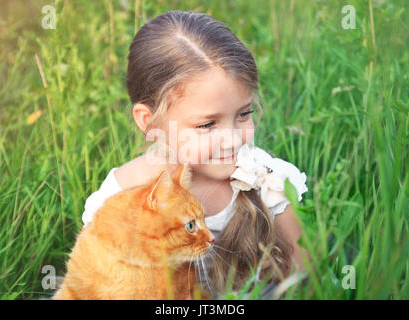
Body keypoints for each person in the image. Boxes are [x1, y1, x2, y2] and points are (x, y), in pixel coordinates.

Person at [81, 10, 310, 299]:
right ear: (148, 122)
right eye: (207, 124)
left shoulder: (267, 179)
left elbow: (306, 276)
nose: (233, 140)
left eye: (244, 114)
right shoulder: (124, 197)